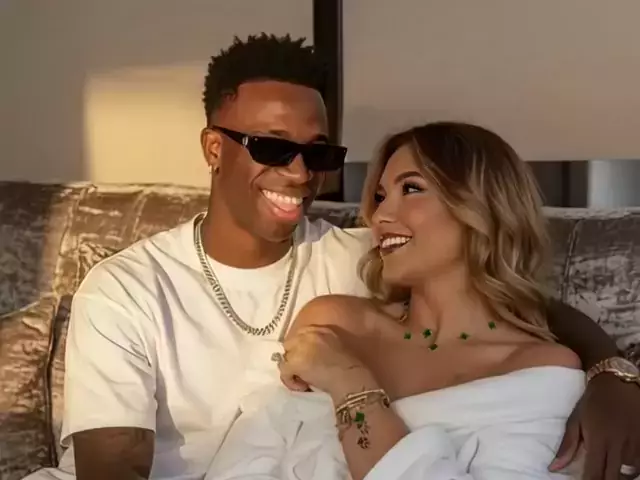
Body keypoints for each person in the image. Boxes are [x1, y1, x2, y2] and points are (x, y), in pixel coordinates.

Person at [24, 35, 640, 480]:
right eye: (272, 147)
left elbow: (498, 299)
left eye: (317, 153)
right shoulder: (126, 289)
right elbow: (112, 469)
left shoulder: (367, 256)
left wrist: (613, 374)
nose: (299, 173)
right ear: (213, 148)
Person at [204, 121, 586, 480]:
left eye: (412, 189)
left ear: (481, 207)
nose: (380, 216)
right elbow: (245, 459)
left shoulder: (537, 372)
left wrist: (349, 383)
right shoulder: (333, 323)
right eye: (381, 196)